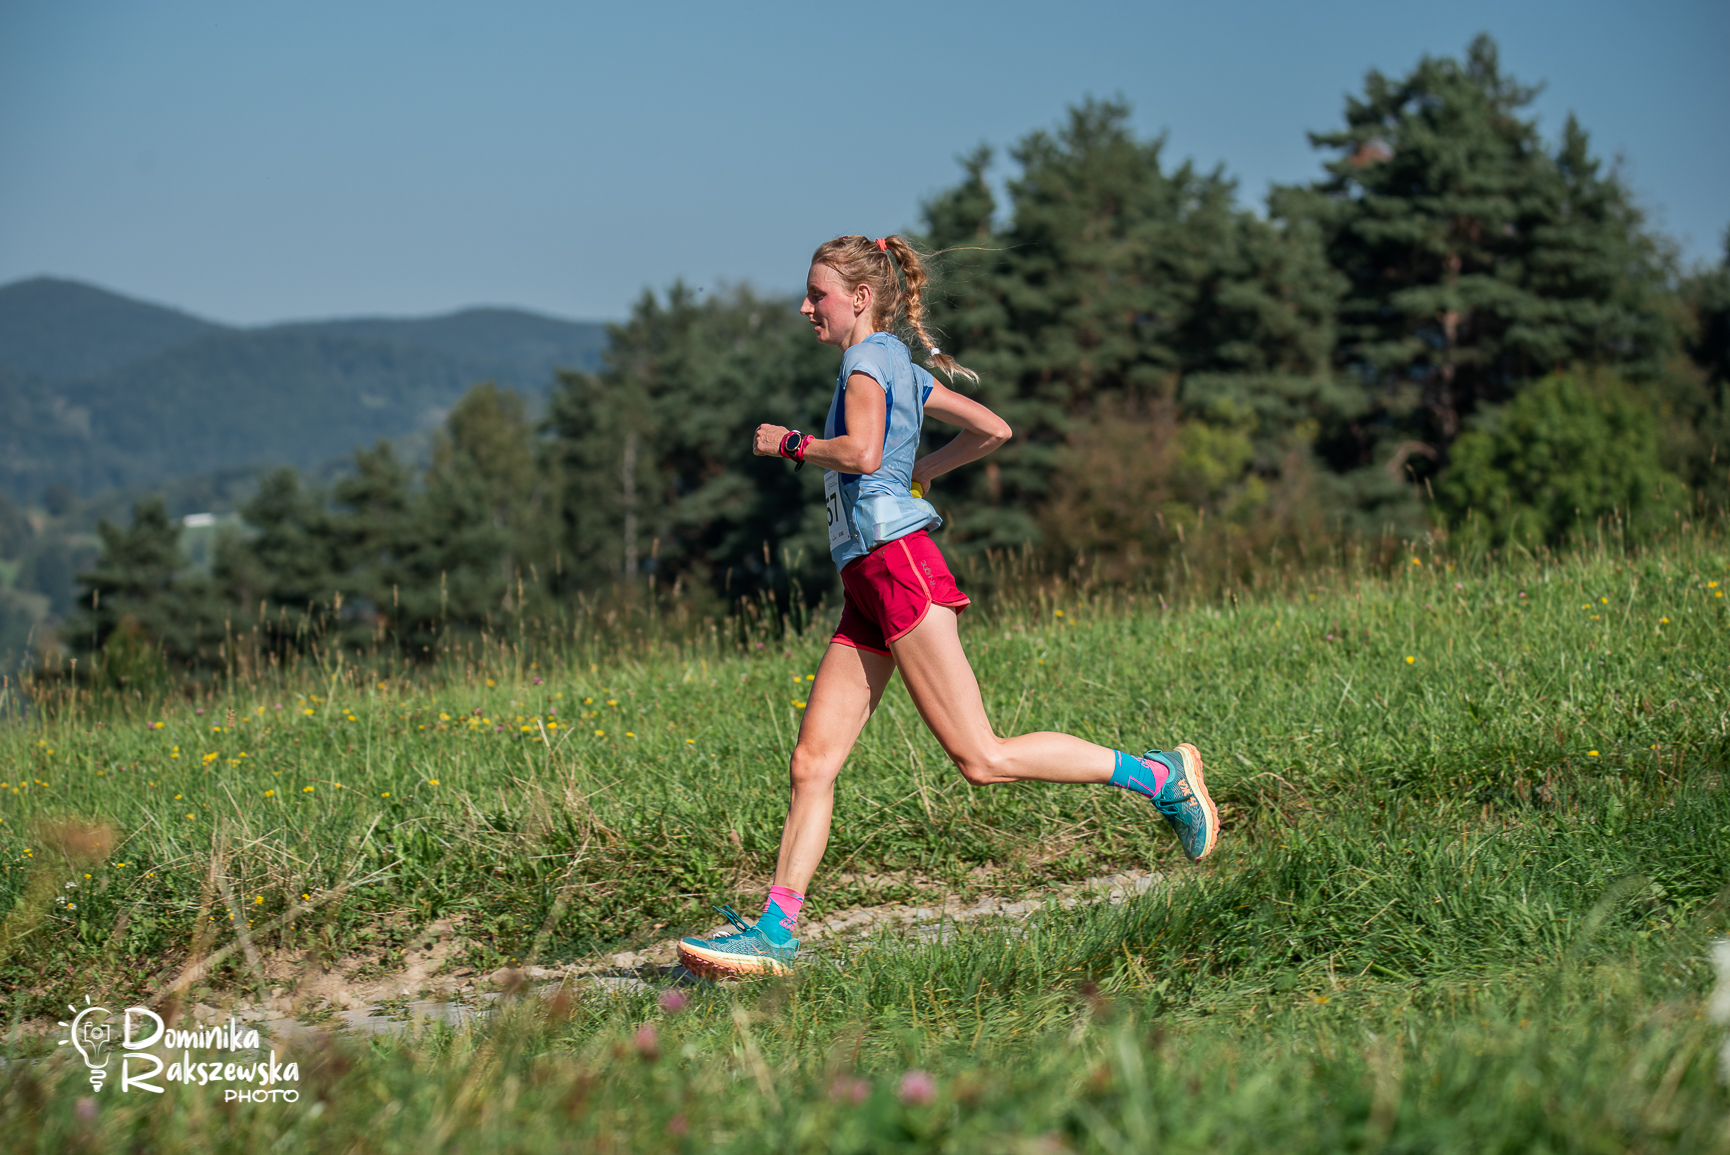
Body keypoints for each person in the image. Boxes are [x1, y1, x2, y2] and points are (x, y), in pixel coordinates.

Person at [677, 235, 1219, 980]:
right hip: (867, 580)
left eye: (817, 294)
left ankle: (1159, 776)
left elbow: (863, 454)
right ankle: (776, 932)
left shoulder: (866, 364)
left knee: (981, 757)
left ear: (860, 298)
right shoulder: (897, 364)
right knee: (812, 762)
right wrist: (922, 472)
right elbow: (993, 429)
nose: (806, 307)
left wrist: (792, 444)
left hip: (898, 567)